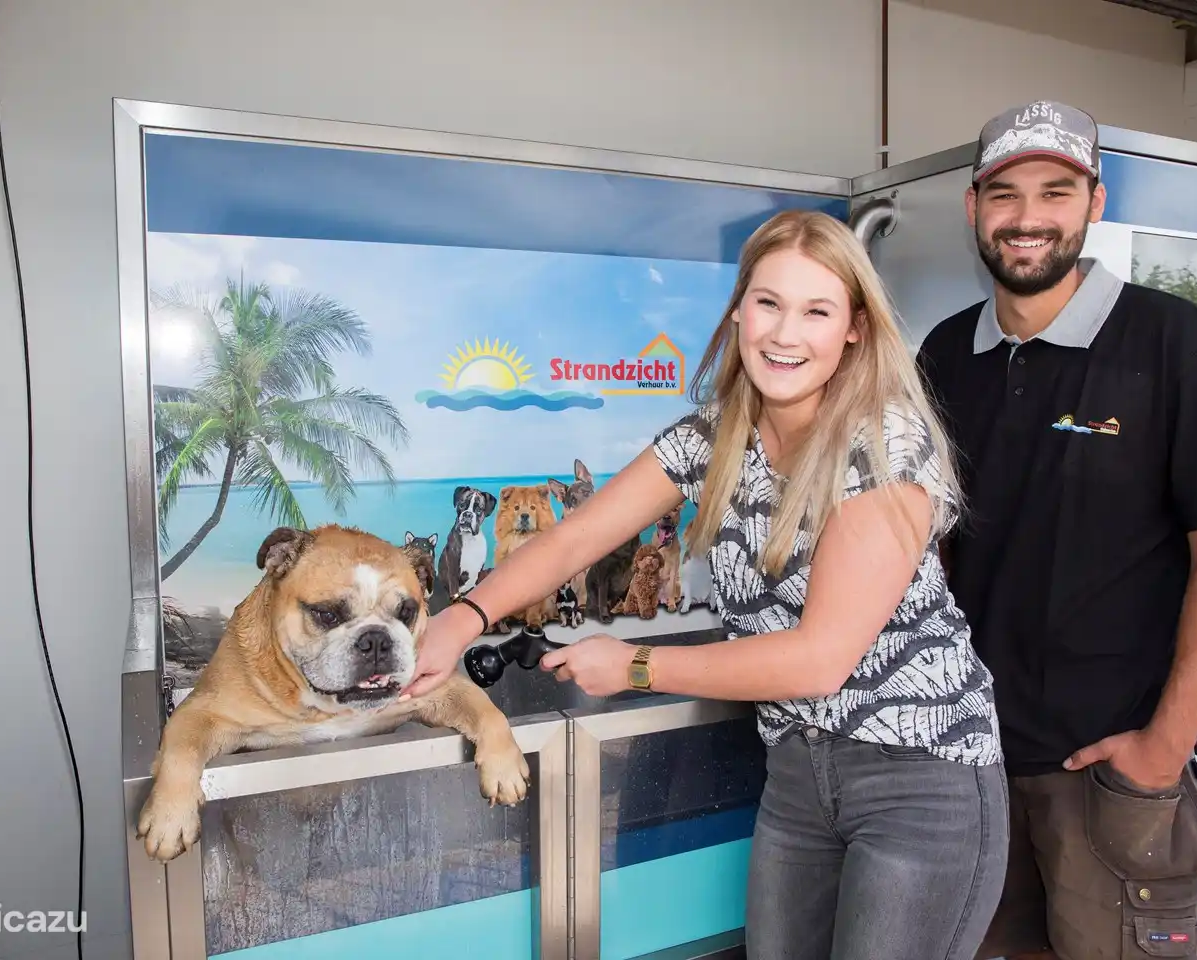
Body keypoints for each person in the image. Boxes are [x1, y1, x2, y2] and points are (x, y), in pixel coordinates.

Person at [403, 209, 1009, 959]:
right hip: (797, 770)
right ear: (738, 311)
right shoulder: (714, 434)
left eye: (816, 310)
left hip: (920, 779)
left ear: (854, 326)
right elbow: (576, 535)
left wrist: (635, 666)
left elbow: (819, 659)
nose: (785, 334)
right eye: (768, 303)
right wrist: (464, 616)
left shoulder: (881, 442)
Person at [914, 101, 1197, 960]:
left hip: (1106, 770)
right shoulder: (943, 355)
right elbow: (928, 549)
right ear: (974, 207)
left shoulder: (1171, 343)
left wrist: (1165, 746)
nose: (1027, 218)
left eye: (1056, 191)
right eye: (1004, 193)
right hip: (965, 760)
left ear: (1094, 203)